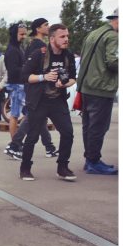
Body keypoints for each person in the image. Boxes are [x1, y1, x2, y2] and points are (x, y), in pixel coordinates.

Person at [18, 24, 77, 181]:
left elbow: (73, 78)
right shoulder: (40, 54)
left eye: (67, 36)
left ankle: (62, 167)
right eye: (62, 36)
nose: (66, 39)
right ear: (52, 39)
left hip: (58, 101)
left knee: (68, 133)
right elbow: (24, 76)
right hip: (39, 101)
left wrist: (65, 84)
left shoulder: (68, 55)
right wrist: (44, 77)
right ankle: (25, 168)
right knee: (32, 136)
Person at [8, 18, 58, 159]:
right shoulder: (40, 45)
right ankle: (14, 144)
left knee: (39, 116)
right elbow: (39, 66)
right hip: (36, 84)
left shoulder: (30, 44)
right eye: (46, 25)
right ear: (38, 29)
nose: (48, 27)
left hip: (31, 84)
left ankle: (49, 147)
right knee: (32, 115)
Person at [77, 8, 119, 175]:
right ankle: (93, 161)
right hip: (101, 88)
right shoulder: (113, 36)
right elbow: (113, 62)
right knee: (98, 127)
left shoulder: (93, 33)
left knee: (88, 126)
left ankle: (90, 159)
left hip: (87, 86)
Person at [4, 24, 28, 144]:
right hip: (16, 85)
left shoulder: (20, 47)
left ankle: (18, 140)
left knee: (27, 114)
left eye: (25, 34)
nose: (24, 36)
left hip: (21, 84)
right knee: (15, 114)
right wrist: (27, 69)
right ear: (15, 34)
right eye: (21, 34)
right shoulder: (12, 50)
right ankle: (15, 142)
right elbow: (12, 69)